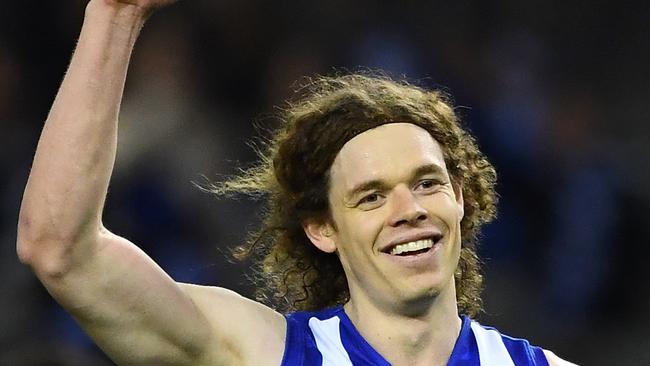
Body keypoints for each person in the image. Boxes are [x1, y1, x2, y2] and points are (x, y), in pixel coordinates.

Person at [17, 1, 575, 365]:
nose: (409, 209)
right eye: (372, 196)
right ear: (322, 228)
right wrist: (117, 13)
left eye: (427, 183)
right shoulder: (262, 353)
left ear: (460, 197)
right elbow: (60, 249)